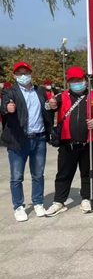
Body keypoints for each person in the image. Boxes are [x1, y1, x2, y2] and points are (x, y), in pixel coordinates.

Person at [44, 66, 93, 216]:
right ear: (68, 82)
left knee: (89, 172)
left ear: (85, 80)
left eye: (79, 80)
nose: (76, 83)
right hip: (67, 143)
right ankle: (59, 201)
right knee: (63, 173)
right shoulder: (62, 96)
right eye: (73, 80)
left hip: (89, 143)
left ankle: (86, 198)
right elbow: (48, 107)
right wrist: (50, 105)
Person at [0, 62, 52, 222]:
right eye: (19, 73)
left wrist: (53, 107)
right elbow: (4, 106)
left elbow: (47, 109)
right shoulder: (10, 91)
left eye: (26, 72)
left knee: (38, 174)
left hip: (39, 138)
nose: (23, 76)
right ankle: (19, 207)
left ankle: (38, 203)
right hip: (18, 139)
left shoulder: (40, 91)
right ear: (15, 75)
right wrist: (7, 108)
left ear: (31, 73)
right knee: (17, 176)